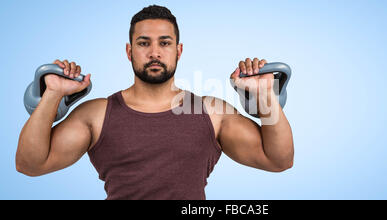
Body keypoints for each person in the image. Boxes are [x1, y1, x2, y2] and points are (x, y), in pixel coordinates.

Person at [16, 5, 294, 200]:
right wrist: (52, 93)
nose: (154, 52)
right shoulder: (96, 114)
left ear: (178, 50)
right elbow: (30, 164)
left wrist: (266, 94)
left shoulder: (211, 112)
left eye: (164, 43)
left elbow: (278, 159)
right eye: (143, 43)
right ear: (129, 51)